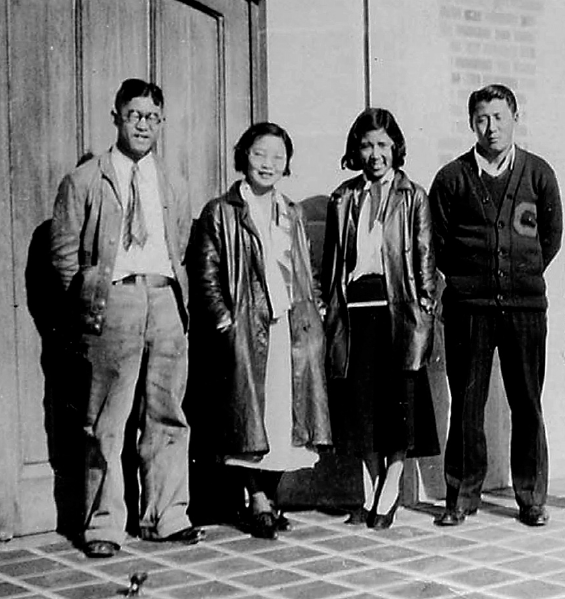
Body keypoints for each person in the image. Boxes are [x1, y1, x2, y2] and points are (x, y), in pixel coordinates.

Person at [50, 79, 203, 558]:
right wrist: (91, 303)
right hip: (112, 303)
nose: (143, 124)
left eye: (153, 117)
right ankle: (103, 526)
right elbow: (63, 256)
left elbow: (178, 246)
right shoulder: (85, 180)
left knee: (168, 415)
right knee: (106, 421)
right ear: (116, 115)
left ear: (161, 123)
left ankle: (166, 516)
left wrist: (175, 302)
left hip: (164, 303)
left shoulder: (171, 180)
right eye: (134, 114)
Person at [189, 122, 331, 540]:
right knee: (252, 418)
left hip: (292, 329)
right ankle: (257, 500)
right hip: (249, 329)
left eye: (277, 157)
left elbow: (306, 269)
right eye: (259, 154)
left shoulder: (293, 211)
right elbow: (207, 272)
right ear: (243, 158)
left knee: (286, 417)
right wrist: (224, 321)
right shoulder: (223, 210)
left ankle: (269, 497)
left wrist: (316, 310)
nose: (268, 164)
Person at [429, 84, 563, 527]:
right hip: (469, 309)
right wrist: (472, 284)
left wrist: (522, 277)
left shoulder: (539, 173)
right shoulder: (451, 178)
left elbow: (551, 238)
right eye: (482, 119)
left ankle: (531, 497)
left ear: (515, 118)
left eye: (499, 118)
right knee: (468, 403)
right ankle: (461, 496)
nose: (491, 128)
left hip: (526, 307)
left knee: (528, 400)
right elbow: (440, 246)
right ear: (472, 123)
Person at [322, 107, 440, 530]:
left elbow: (424, 258)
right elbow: (332, 264)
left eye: (383, 145)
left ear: (396, 149)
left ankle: (392, 482)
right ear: (357, 148)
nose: (375, 154)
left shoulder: (412, 196)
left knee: (399, 405)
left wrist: (425, 311)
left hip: (399, 311)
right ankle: (370, 488)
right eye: (367, 145)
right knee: (364, 407)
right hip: (356, 313)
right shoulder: (343, 197)